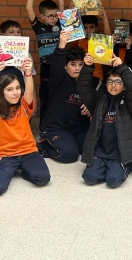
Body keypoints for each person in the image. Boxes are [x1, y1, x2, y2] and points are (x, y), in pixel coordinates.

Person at [0, 57, 50, 197]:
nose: (15, 92)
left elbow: (29, 92)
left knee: (43, 178)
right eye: (9, 89)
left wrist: (28, 72)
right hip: (6, 155)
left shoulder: (24, 105)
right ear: (2, 92)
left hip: (29, 152)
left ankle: (18, 170)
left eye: (18, 88)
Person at [78, 52, 132, 188]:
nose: (114, 85)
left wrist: (122, 68)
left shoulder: (129, 103)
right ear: (106, 84)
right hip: (100, 151)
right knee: (89, 178)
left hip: (120, 153)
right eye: (110, 82)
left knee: (113, 180)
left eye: (118, 82)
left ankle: (124, 164)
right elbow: (83, 89)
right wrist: (88, 67)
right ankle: (106, 167)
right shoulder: (98, 99)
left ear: (124, 85)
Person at [38, 30, 96, 163]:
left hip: (79, 128)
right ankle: (44, 145)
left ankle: (70, 141)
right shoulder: (58, 80)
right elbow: (56, 65)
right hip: (56, 127)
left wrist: (90, 107)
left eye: (81, 64)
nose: (77, 68)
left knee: (92, 150)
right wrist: (62, 44)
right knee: (69, 155)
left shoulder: (88, 82)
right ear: (65, 66)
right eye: (73, 64)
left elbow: (96, 102)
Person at [25, 0, 65, 114]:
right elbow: (29, 9)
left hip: (61, 64)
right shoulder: (39, 27)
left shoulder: (60, 24)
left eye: (55, 15)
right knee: (46, 94)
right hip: (46, 66)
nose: (54, 18)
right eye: (50, 16)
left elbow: (61, 4)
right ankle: (45, 121)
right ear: (42, 16)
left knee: (61, 93)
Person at [69, 10, 111, 82]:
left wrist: (105, 18)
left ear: (96, 28)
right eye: (85, 27)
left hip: (97, 77)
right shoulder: (78, 40)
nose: (88, 31)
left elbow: (109, 40)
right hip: (80, 78)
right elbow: (69, 35)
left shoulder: (99, 40)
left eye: (91, 27)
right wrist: (71, 13)